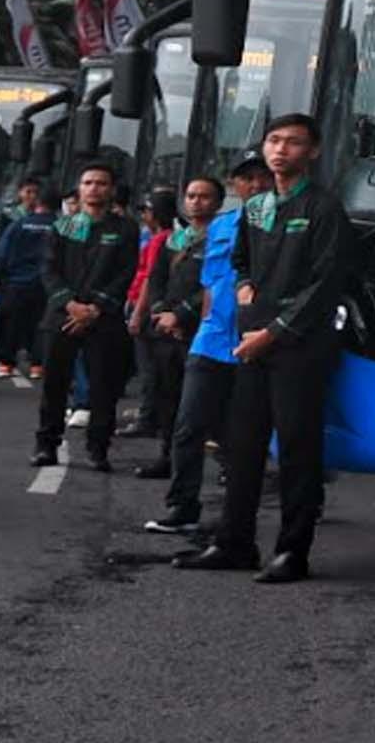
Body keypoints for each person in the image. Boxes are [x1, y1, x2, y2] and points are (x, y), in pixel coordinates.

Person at [176, 116, 354, 583]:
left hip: (298, 346)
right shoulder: (255, 207)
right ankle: (233, 542)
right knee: (242, 446)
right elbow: (240, 259)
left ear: (313, 152)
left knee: (296, 449)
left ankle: (292, 552)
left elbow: (326, 283)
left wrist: (274, 331)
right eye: (274, 141)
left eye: (293, 143)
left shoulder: (324, 209)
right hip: (252, 344)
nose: (281, 150)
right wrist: (244, 285)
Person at [143, 156, 271, 521]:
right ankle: (183, 508)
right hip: (212, 339)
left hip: (258, 339)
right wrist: (197, 326)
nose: (255, 185)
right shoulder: (222, 226)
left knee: (247, 432)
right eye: (247, 179)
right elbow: (211, 284)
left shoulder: (285, 222)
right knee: (188, 426)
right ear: (235, 185)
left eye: (262, 178)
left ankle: (244, 516)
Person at [31, 162, 140, 473]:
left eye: (101, 183)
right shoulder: (62, 226)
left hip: (102, 319)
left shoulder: (125, 229)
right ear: (78, 189)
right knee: (54, 385)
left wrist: (95, 308)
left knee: (104, 387)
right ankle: (46, 445)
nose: (94, 188)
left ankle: (98, 449)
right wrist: (70, 304)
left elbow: (125, 272)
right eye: (88, 182)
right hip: (62, 316)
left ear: (112, 190)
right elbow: (49, 269)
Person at [131, 178, 217, 478]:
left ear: (217, 203)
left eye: (204, 197)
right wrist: (159, 312)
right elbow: (156, 279)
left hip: (200, 331)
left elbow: (214, 284)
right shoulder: (175, 239)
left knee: (205, 403)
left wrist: (180, 315)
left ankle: (225, 464)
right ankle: (168, 458)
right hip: (165, 331)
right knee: (167, 398)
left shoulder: (221, 237)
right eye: (191, 196)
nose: (196, 202)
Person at [121, 188, 177, 438]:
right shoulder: (166, 237)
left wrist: (137, 313)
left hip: (145, 308)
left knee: (149, 369)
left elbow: (150, 278)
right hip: (147, 305)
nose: (143, 216)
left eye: (146, 211)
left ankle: (148, 418)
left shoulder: (160, 240)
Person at [0, 179, 54, 379]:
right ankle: (37, 366)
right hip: (47, 285)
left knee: (11, 324)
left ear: (38, 202)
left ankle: (5, 364)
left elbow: (2, 254)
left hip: (16, 283)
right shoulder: (62, 226)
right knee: (40, 325)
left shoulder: (18, 225)